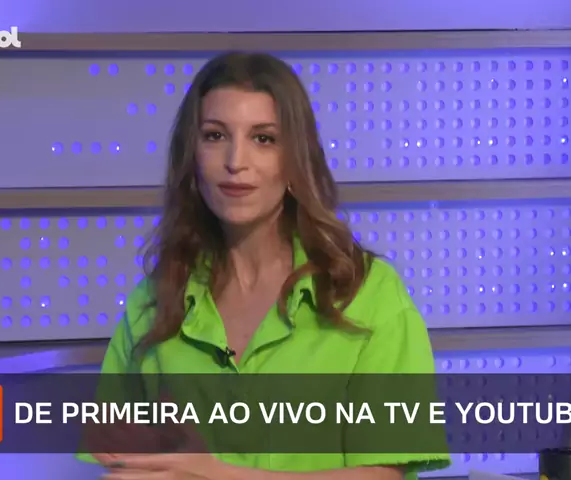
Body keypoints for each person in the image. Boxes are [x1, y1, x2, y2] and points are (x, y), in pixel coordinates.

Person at [79, 51, 451, 479]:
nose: (236, 161)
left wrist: (214, 474)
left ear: (295, 158)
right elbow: (121, 463)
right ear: (191, 155)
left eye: (263, 138)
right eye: (215, 135)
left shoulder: (369, 294)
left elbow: (383, 476)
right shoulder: (152, 303)